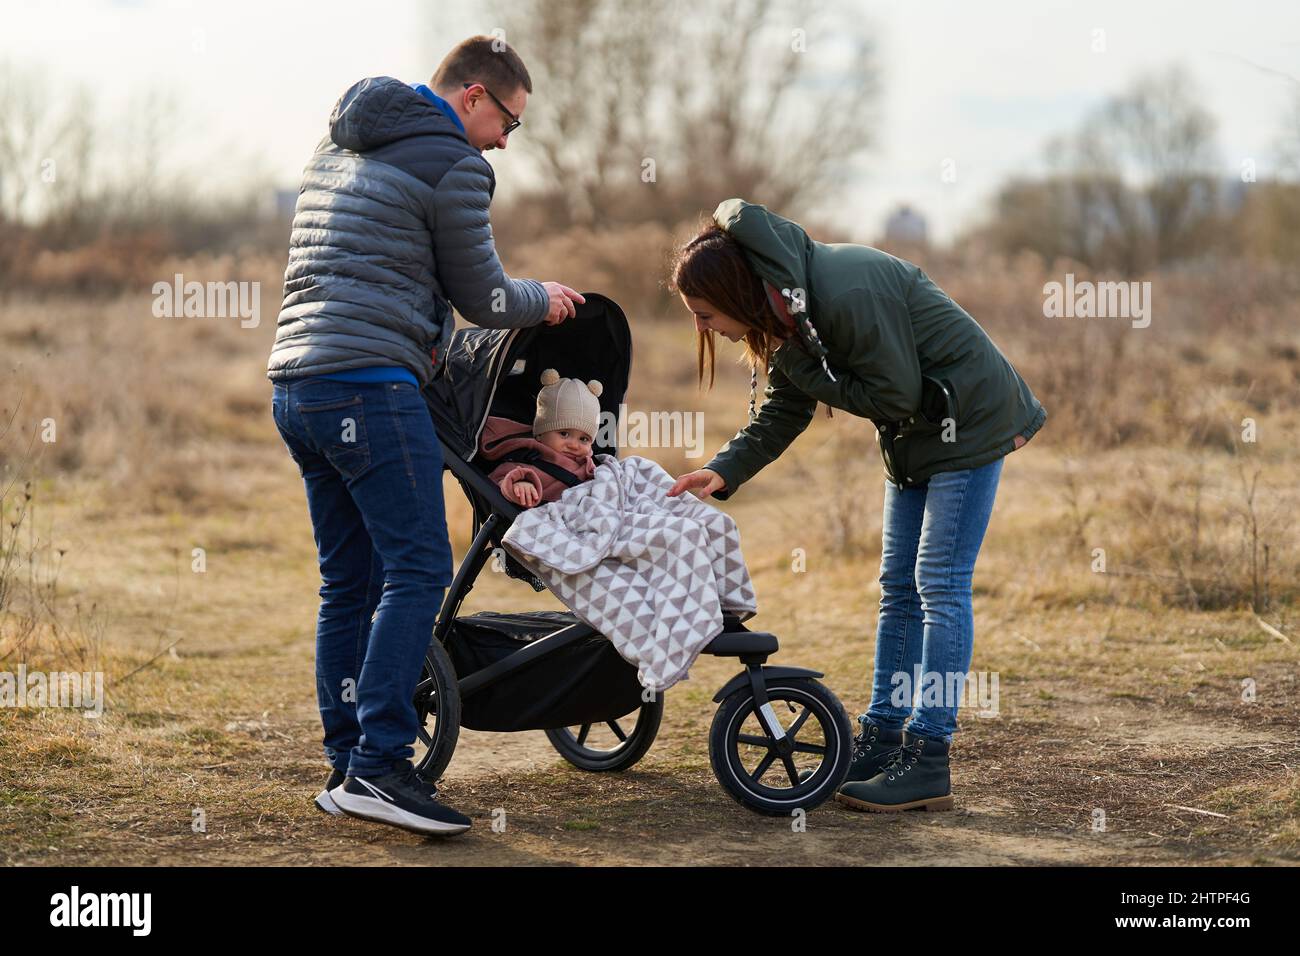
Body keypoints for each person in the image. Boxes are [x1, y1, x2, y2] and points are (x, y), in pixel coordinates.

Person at [267, 35, 584, 837]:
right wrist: (541, 298)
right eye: (508, 120)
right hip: (371, 384)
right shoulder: (454, 163)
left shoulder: (337, 142)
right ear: (473, 96)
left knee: (351, 580)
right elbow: (484, 296)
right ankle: (378, 765)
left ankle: (348, 764)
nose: (507, 142)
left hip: (297, 385)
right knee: (418, 567)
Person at [666, 198, 1046, 813]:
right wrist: (721, 470)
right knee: (897, 585)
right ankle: (883, 737)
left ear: (735, 292)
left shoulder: (841, 292)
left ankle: (928, 758)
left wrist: (797, 364)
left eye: (706, 315)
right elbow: (785, 410)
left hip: (969, 421)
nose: (705, 329)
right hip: (917, 435)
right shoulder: (789, 312)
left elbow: (891, 393)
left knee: (939, 583)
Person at [479, 369, 602, 507]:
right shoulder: (528, 459)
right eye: (564, 434)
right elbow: (497, 480)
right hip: (552, 521)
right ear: (540, 433)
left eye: (584, 439)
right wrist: (518, 485)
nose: (574, 445)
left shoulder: (592, 467)